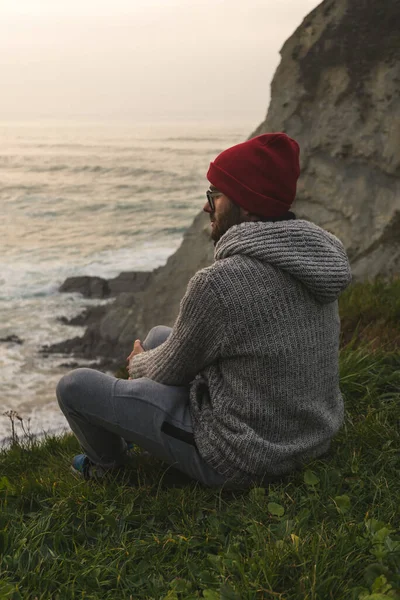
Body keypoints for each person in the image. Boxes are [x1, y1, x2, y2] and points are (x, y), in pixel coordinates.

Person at [56, 132, 352, 489]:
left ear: (246, 203)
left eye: (216, 195)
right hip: (310, 437)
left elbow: (168, 368)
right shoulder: (311, 257)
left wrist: (137, 363)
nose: (206, 206)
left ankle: (106, 466)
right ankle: (138, 426)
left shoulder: (221, 283)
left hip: (245, 457)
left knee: (75, 386)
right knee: (159, 337)